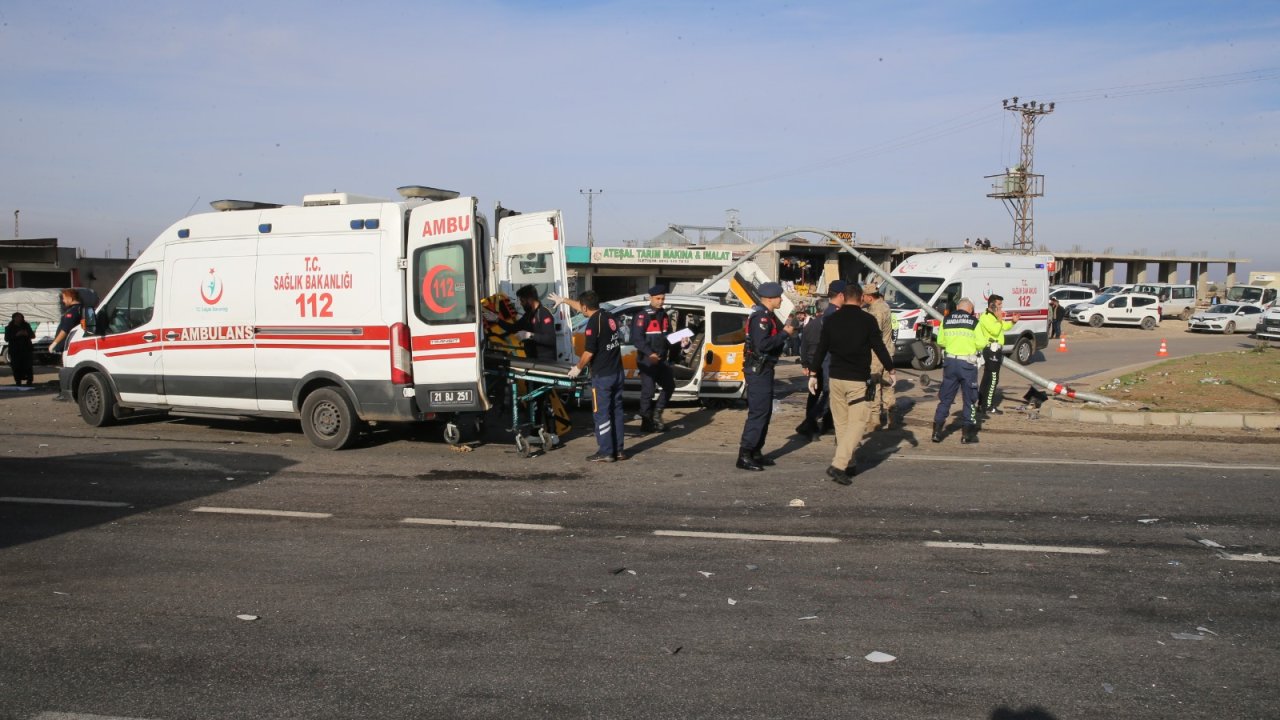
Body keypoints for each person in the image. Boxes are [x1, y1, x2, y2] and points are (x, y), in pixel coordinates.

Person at [810, 284, 895, 485]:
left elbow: (822, 349)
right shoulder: (867, 320)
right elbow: (879, 347)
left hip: (836, 378)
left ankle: (850, 462)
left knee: (842, 425)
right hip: (856, 379)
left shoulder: (830, 320)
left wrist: (813, 373)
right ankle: (839, 464)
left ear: (844, 297)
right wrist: (891, 369)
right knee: (857, 424)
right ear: (860, 298)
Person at [736, 282, 795, 471]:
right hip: (758, 370)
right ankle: (745, 454)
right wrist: (785, 334)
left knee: (765, 412)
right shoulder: (761, 317)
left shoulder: (767, 316)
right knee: (758, 412)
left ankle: (756, 451)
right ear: (769, 298)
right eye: (778, 297)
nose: (780, 300)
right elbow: (763, 345)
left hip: (765, 369)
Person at [566, 291, 626, 462]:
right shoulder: (609, 316)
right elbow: (582, 306)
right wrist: (564, 300)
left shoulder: (593, 324)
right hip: (617, 373)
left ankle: (606, 451)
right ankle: (619, 450)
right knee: (617, 412)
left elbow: (589, 352)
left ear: (585, 307)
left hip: (603, 376)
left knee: (601, 413)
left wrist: (577, 368)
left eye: (581, 307)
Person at [795, 280, 847, 440]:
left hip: (821, 362)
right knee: (828, 395)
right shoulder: (834, 315)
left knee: (822, 395)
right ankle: (809, 424)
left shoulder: (828, 315)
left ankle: (823, 424)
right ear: (841, 295)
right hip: (828, 362)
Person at [931, 297, 983, 444]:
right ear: (970, 310)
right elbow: (981, 343)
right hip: (967, 364)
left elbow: (940, 341)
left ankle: (936, 432)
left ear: (958, 307)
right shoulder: (974, 322)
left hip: (950, 363)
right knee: (969, 400)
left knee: (946, 398)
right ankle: (966, 435)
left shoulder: (946, 320)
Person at [632, 285, 678, 432]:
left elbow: (668, 336)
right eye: (658, 298)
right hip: (647, 360)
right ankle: (646, 422)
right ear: (650, 298)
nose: (660, 301)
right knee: (648, 391)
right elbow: (637, 339)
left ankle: (657, 415)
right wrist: (649, 353)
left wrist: (681, 340)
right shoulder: (642, 315)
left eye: (663, 298)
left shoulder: (664, 315)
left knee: (669, 386)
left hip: (661, 359)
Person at [861, 284, 897, 431]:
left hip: (877, 354)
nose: (862, 298)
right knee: (888, 386)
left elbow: (874, 334)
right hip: (888, 351)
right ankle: (892, 417)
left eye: (864, 296)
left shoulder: (876, 311)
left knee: (874, 384)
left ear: (869, 296)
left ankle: (874, 419)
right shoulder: (885, 306)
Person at [977, 294, 1019, 416]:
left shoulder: (995, 317)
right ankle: (988, 405)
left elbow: (1003, 327)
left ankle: (982, 404)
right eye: (999, 304)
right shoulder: (985, 317)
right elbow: (995, 330)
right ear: (992, 305)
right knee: (993, 378)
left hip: (996, 349)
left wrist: (1012, 322)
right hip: (991, 349)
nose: (1001, 307)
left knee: (988, 378)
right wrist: (999, 319)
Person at [501, 284, 557, 361]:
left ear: (530, 300)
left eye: (522, 301)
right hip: (532, 359)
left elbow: (550, 339)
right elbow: (513, 328)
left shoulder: (543, 314)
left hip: (544, 361)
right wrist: (497, 320)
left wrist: (530, 335)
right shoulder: (528, 315)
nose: (521, 304)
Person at [797, 303, 826, 441]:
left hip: (811, 361)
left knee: (814, 394)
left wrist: (804, 363)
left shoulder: (809, 326)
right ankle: (810, 423)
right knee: (826, 394)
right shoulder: (824, 324)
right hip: (822, 362)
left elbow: (803, 346)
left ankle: (811, 424)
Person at [50, 289, 83, 401]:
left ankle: (64, 393)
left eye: (64, 298)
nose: (63, 301)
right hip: (78, 345)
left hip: (68, 346)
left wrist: (54, 344)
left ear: (70, 298)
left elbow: (65, 330)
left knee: (64, 370)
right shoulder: (83, 309)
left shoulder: (72, 312)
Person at [5, 312, 36, 386]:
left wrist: (26, 334)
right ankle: (18, 381)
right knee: (16, 366)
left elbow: (32, 335)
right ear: (14, 318)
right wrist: (16, 335)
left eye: (20, 317)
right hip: (15, 350)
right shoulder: (9, 327)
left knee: (28, 366)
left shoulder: (26, 325)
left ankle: (29, 381)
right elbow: (7, 338)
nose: (19, 319)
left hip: (26, 349)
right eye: (17, 317)